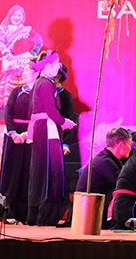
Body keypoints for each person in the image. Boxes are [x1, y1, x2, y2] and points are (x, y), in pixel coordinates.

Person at [26, 51, 76, 226]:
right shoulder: (46, 84)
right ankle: (46, 215)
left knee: (41, 170)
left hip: (43, 128)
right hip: (47, 129)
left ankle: (37, 215)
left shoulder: (40, 83)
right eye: (56, 64)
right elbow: (51, 110)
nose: (58, 67)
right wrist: (64, 122)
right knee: (51, 171)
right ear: (47, 66)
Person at [0, 61, 37, 224]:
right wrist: (13, 133)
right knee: (11, 172)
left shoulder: (40, 93)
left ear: (37, 73)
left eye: (28, 70)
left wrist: (27, 134)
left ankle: (26, 214)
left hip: (32, 136)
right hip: (14, 138)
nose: (24, 73)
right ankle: (7, 211)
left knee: (27, 173)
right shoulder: (17, 91)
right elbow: (8, 113)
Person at [0, 4, 44, 120]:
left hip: (22, 65)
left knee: (23, 89)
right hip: (9, 65)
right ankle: (9, 119)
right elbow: (0, 43)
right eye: (14, 15)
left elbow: (39, 41)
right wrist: (6, 53)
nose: (16, 18)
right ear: (10, 16)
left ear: (23, 17)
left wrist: (32, 53)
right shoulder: (2, 30)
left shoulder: (26, 30)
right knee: (10, 92)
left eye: (19, 15)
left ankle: (24, 115)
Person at [76, 127, 132, 225]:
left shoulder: (110, 158)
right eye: (129, 144)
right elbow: (122, 186)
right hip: (90, 211)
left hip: (98, 204)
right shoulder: (105, 162)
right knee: (123, 195)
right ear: (120, 144)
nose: (130, 148)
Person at [54, 64, 80, 226]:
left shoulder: (64, 95)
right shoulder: (44, 90)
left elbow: (70, 121)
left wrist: (65, 143)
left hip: (58, 139)